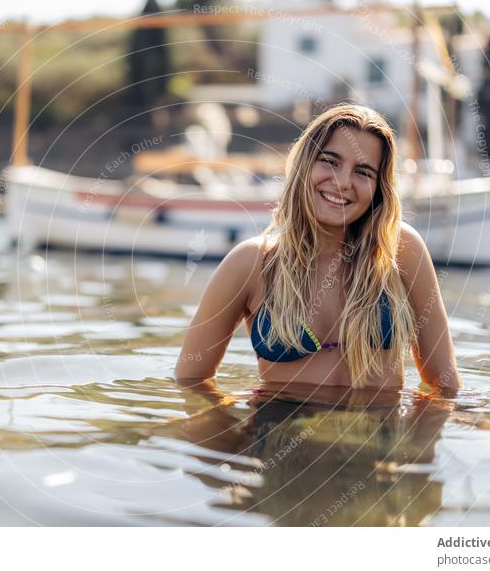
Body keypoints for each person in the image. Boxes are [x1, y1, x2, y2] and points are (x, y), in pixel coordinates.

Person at [174, 103, 461, 397]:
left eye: (363, 172)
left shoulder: (401, 251)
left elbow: (445, 384)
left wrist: (417, 440)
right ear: (305, 164)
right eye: (330, 162)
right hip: (279, 430)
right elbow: (190, 383)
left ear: (379, 187)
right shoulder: (251, 264)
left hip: (380, 433)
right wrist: (237, 438)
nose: (343, 182)